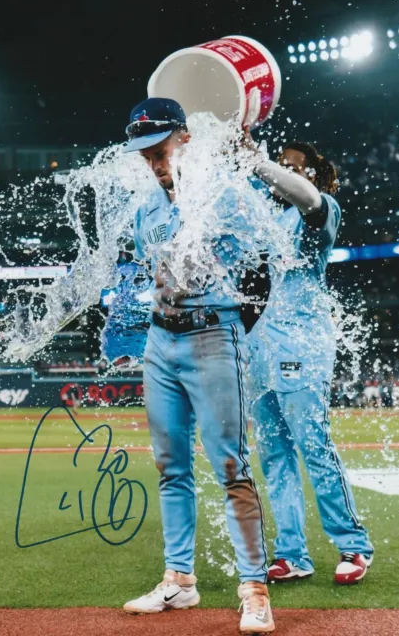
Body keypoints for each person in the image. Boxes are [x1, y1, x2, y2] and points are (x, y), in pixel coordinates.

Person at [121, 98, 274, 634]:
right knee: (171, 468)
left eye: (160, 152)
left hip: (213, 336)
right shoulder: (148, 210)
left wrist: (231, 331)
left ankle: (254, 589)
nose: (155, 165)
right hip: (160, 343)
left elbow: (258, 273)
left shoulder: (225, 198)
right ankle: (179, 582)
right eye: (146, 157)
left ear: (185, 140)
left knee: (231, 467)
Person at [245, 135, 374, 585]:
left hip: (301, 346)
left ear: (313, 174)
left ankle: (353, 545)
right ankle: (293, 553)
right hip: (258, 350)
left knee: (314, 448)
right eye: (282, 164)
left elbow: (304, 195)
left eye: (295, 166)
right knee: (275, 456)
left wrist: (260, 163)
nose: (286, 171)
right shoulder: (266, 217)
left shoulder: (321, 209)